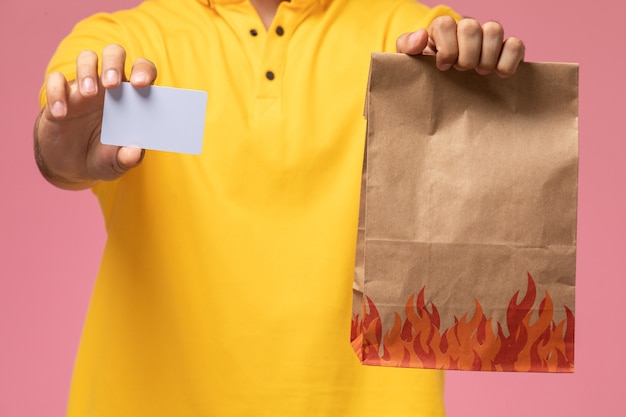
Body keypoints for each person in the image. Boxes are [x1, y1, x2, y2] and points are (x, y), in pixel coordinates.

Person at [34, 0, 525, 416]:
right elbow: (61, 149)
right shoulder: (129, 40)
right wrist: (62, 147)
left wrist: (480, 81)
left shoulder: (407, 36)